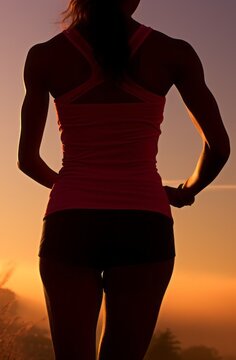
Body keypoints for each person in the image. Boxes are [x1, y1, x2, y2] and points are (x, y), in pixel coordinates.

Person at [17, 0, 231, 359]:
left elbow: (28, 160)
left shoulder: (45, 57)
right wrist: (184, 192)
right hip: (144, 222)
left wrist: (75, 186)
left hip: (70, 225)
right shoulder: (173, 53)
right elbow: (218, 147)